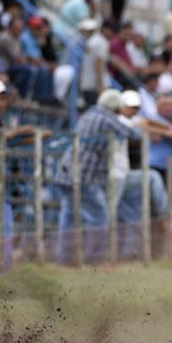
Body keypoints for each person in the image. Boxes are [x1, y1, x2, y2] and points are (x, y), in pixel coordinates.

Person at [55, 90, 142, 263]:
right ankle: (93, 259)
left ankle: (65, 258)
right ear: (116, 107)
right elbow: (134, 134)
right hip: (84, 175)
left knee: (70, 216)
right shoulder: (106, 118)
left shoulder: (89, 114)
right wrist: (140, 125)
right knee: (100, 218)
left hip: (66, 171)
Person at [78, 18, 109, 106]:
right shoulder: (101, 42)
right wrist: (101, 90)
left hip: (87, 85)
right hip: (96, 87)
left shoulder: (90, 42)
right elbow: (98, 67)